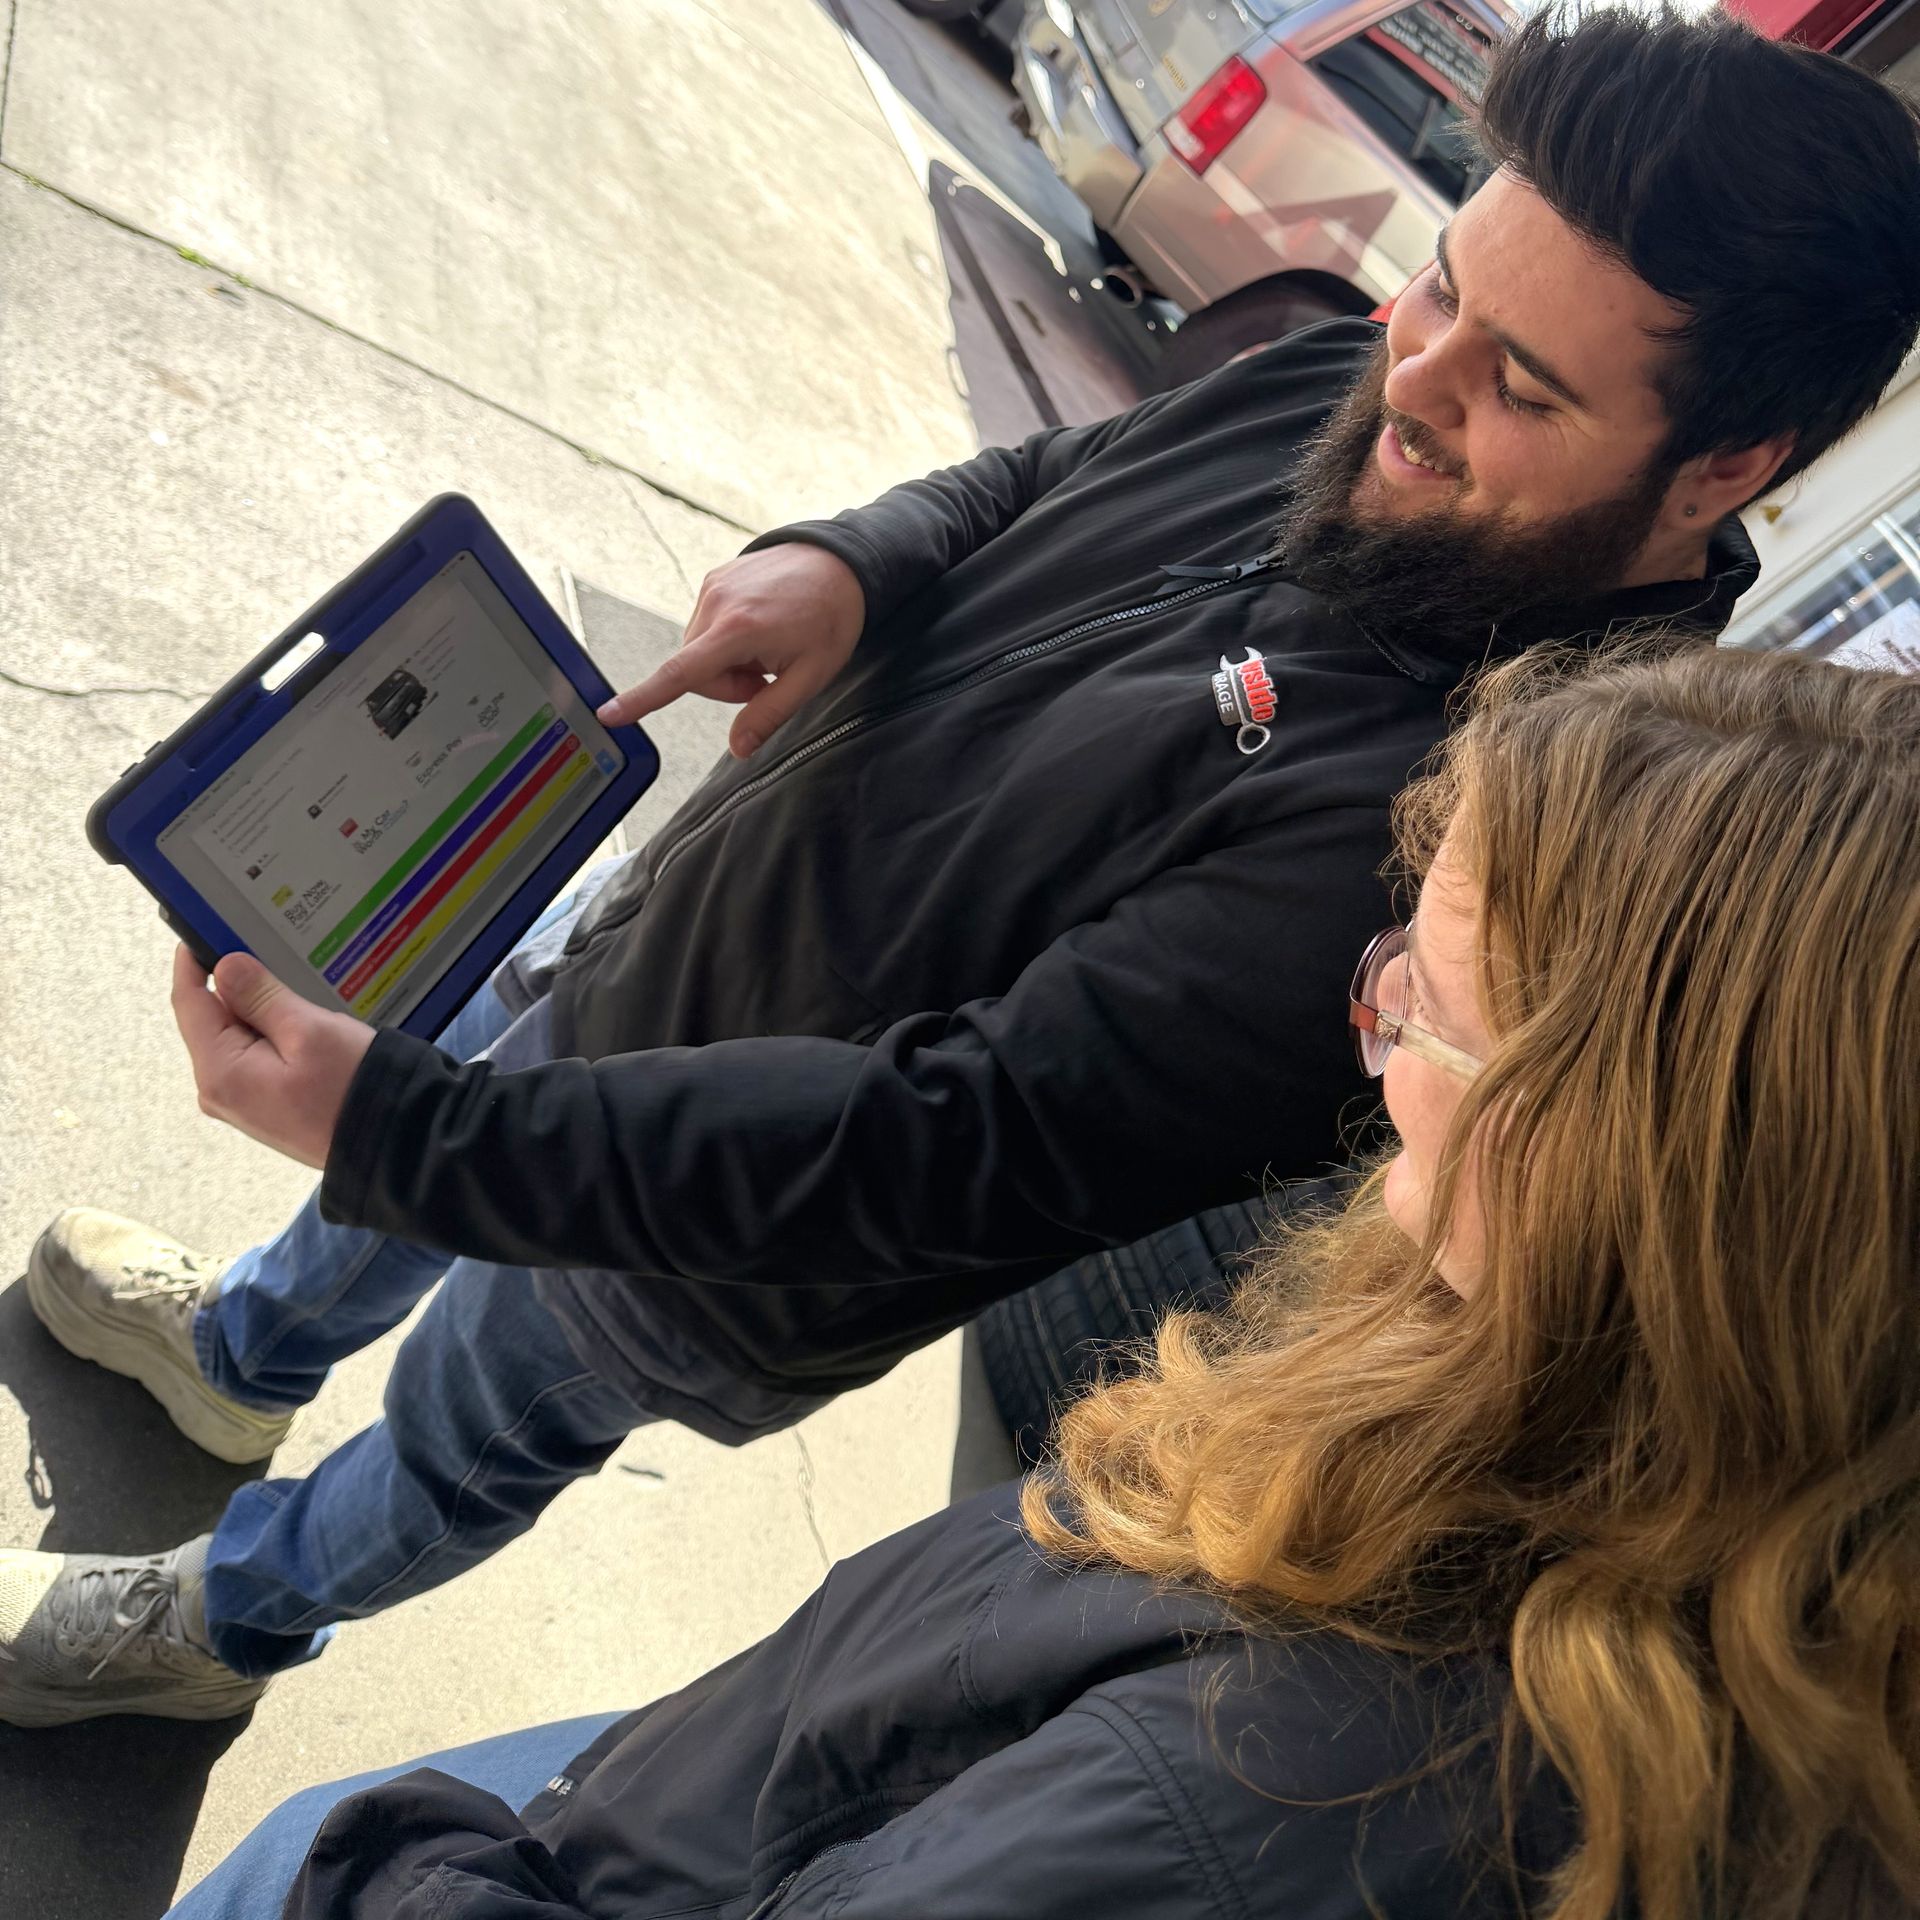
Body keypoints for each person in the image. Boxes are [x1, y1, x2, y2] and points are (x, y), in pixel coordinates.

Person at [6, 8, 1920, 1725]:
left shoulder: (1483, 832)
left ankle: (216, 1631)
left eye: (1527, 389)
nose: (1417, 384)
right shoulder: (1349, 385)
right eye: (1438, 294)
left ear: (1720, 470)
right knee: (391, 1162)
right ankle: (240, 1356)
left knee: (457, 1432)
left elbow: (953, 1140)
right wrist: (850, 560)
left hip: (713, 1236)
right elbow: (1036, 487)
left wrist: (410, 1133)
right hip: (672, 919)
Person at [164, 645, 1920, 1920]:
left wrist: (392, 1862)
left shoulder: (1255, 1795)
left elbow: (969, 1126)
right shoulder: (1511, 1377)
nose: (1369, 1033)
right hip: (724, 1788)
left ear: (1661, 1187)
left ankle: (203, 1632)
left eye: (1429, 1006)